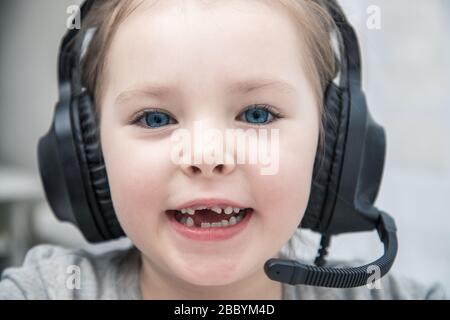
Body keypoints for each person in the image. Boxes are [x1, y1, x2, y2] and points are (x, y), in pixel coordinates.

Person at [0, 0, 446, 299]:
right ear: (89, 153)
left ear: (334, 143)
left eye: (257, 115)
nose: (207, 154)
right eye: (155, 118)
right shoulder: (47, 289)